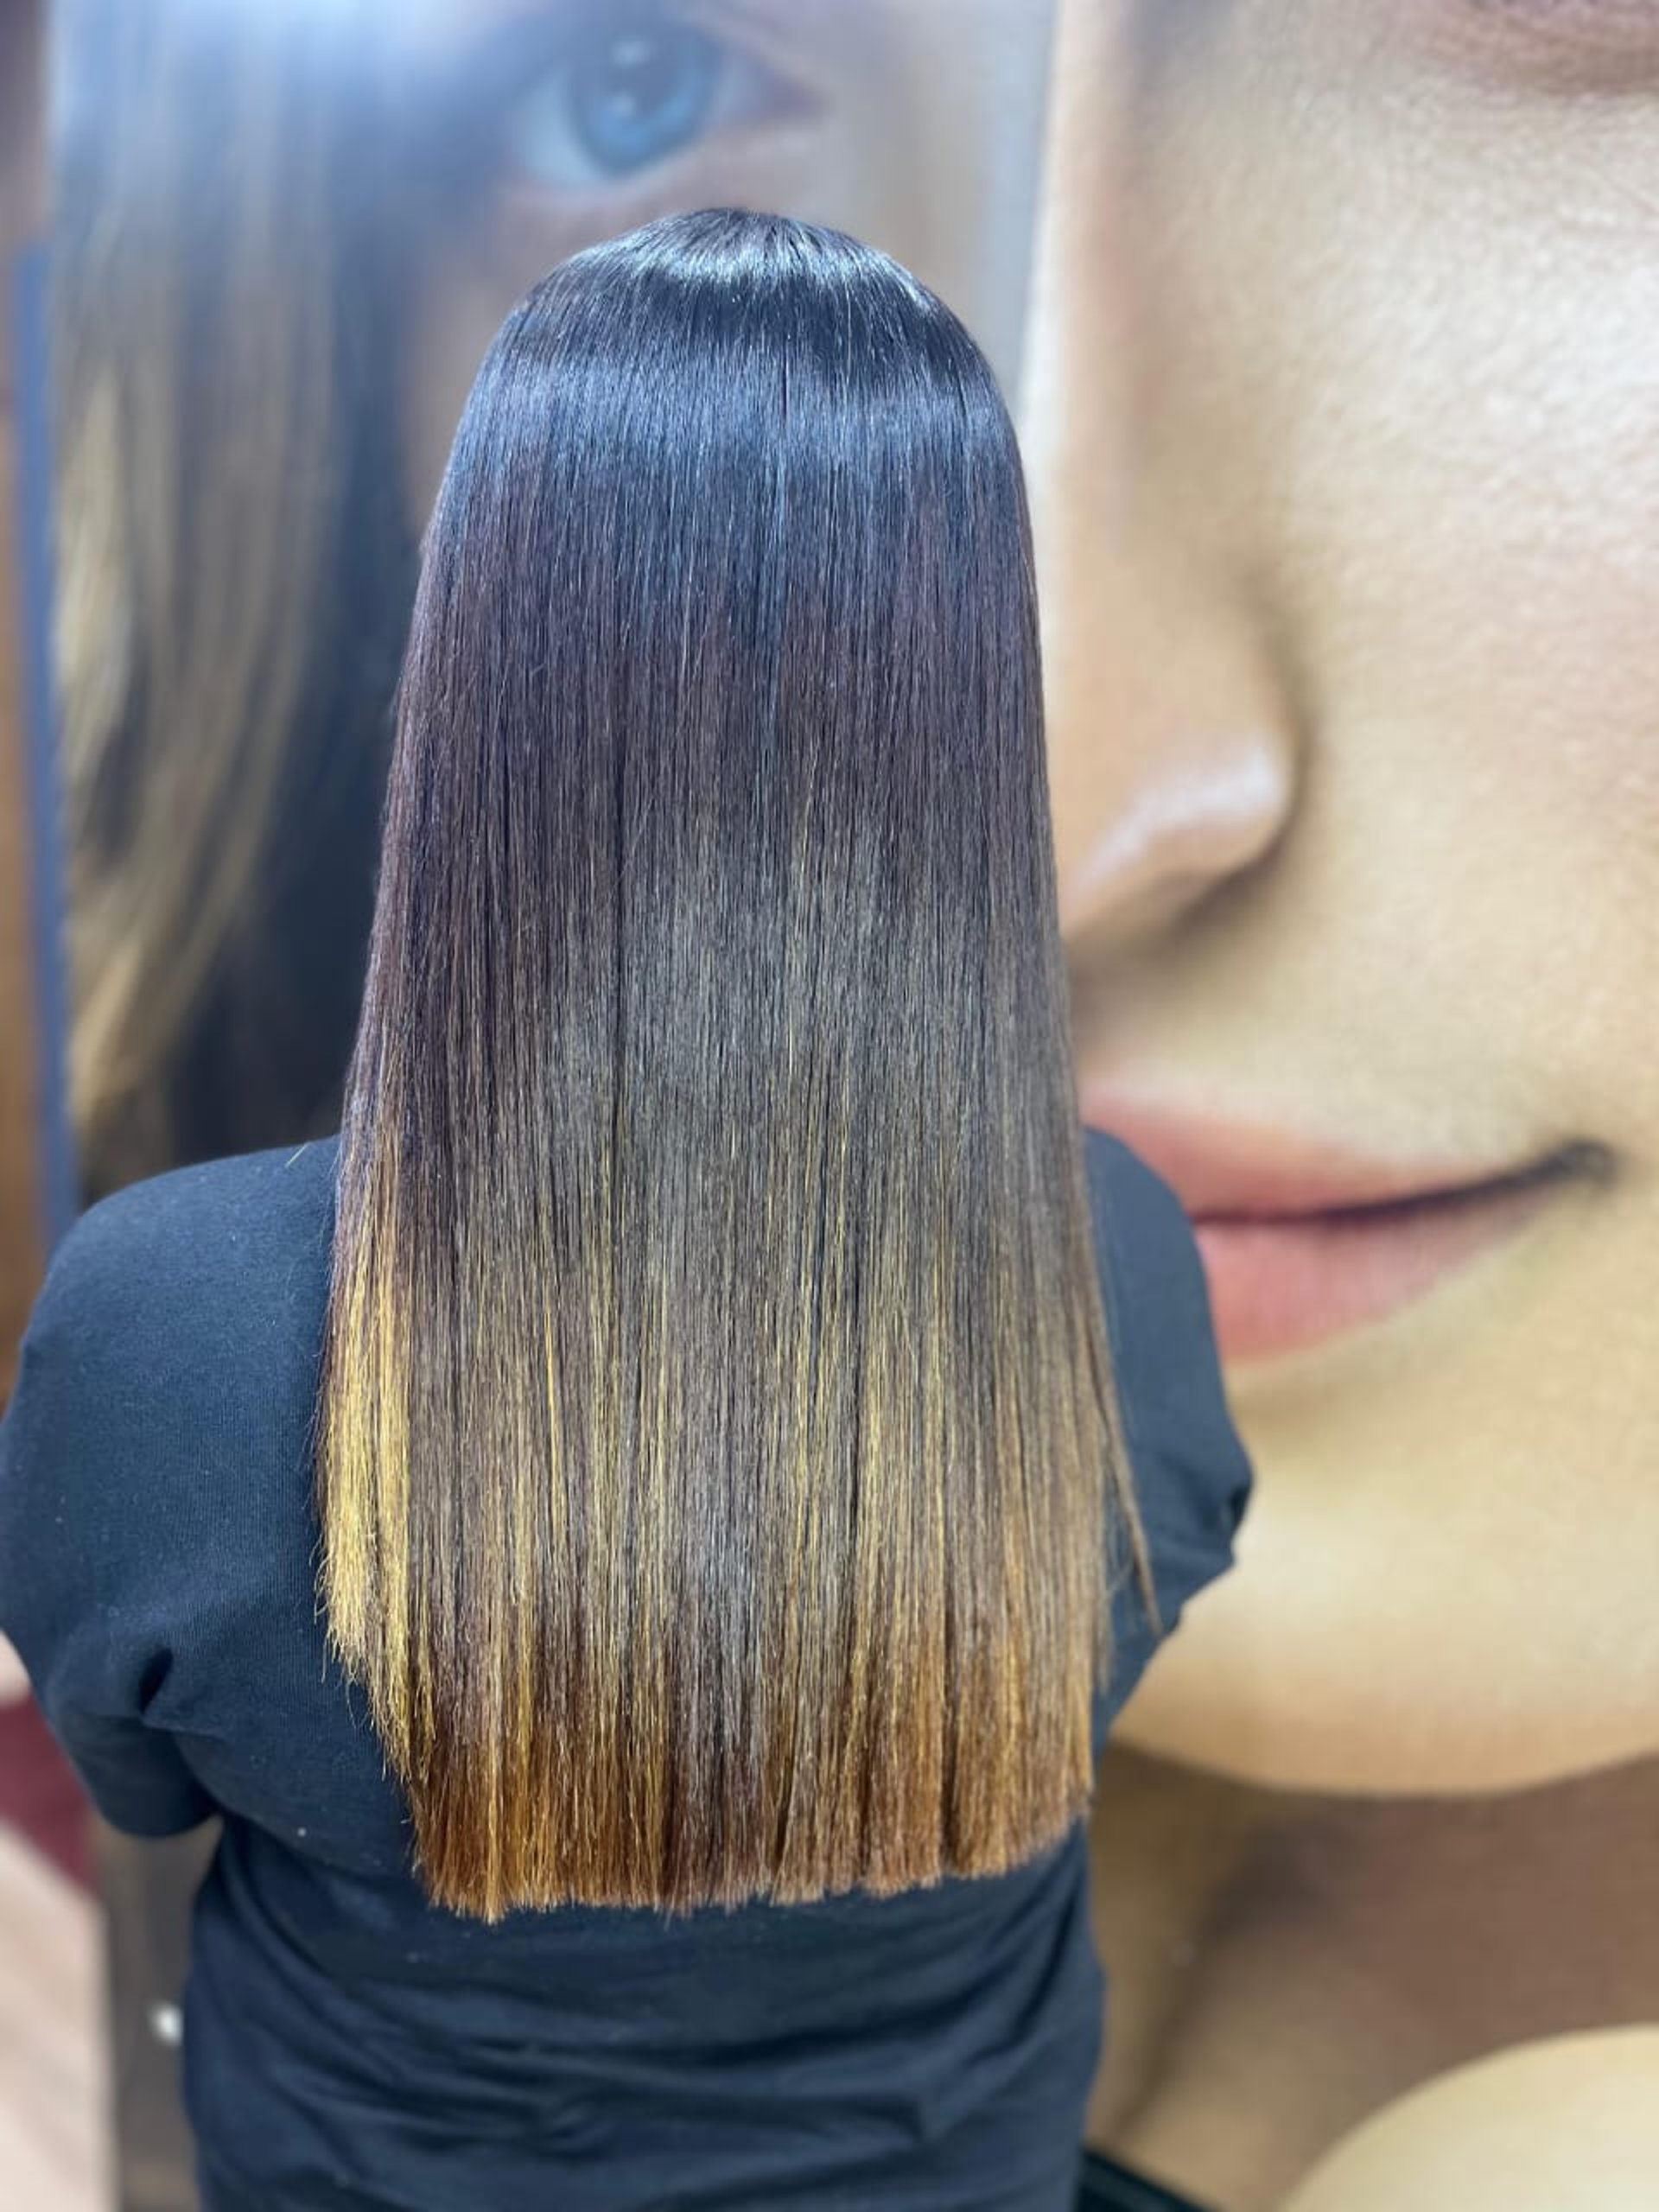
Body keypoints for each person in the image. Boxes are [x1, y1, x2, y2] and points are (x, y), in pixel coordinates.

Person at [1, 213, 1249, 2212]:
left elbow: (133, 1778)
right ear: (963, 701)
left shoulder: (175, 1331)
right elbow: (1137, 1615)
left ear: (479, 650)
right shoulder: (1126, 1273)